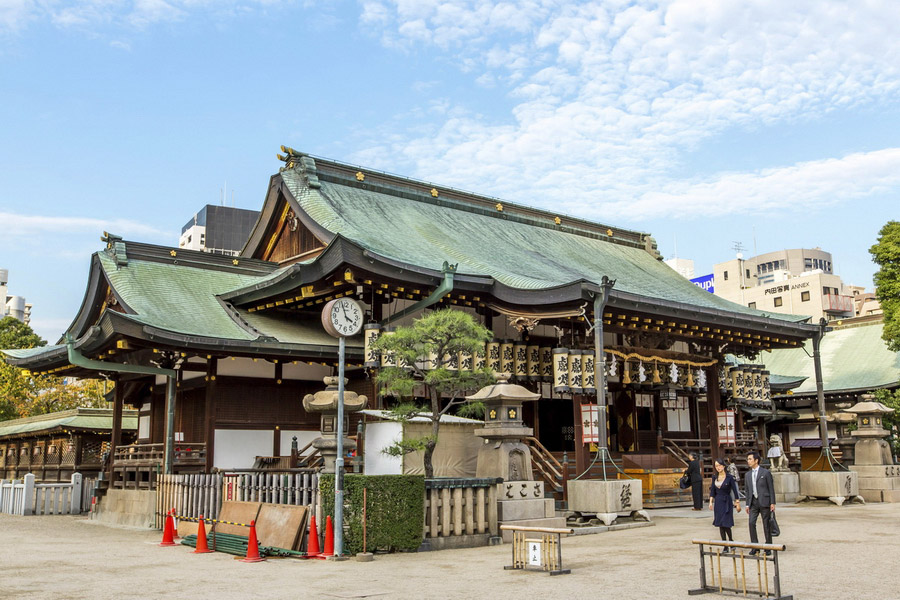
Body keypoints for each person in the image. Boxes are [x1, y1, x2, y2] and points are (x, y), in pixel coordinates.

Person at [744, 451, 776, 555]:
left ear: (756, 460)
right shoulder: (747, 475)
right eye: (748, 459)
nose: (748, 461)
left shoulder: (765, 473)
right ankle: (755, 546)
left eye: (750, 459)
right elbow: (747, 490)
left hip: (765, 500)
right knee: (751, 523)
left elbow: (771, 488)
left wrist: (772, 502)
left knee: (766, 524)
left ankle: (768, 547)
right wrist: (747, 504)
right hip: (753, 501)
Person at [709, 458, 741, 551]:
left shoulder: (729, 477)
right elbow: (712, 491)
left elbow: (735, 491)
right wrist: (711, 501)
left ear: (723, 466)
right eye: (716, 466)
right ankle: (725, 545)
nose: (718, 467)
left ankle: (730, 541)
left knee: (726, 523)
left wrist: (737, 502)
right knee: (720, 523)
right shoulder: (714, 477)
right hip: (718, 501)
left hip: (727, 500)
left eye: (719, 465)